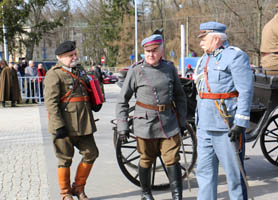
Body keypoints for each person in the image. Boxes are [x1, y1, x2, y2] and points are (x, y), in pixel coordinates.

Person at [116, 34, 187, 200]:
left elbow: (180, 97)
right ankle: (146, 193)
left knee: (172, 159)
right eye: (147, 51)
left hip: (168, 122)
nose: (150, 54)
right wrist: (123, 126)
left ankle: (177, 196)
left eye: (154, 51)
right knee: (146, 159)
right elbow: (122, 101)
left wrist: (182, 121)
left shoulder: (169, 68)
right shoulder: (136, 70)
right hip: (145, 123)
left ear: (161, 50)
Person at [193, 22, 253, 200]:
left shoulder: (235, 57)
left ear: (216, 38)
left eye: (204, 39)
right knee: (204, 175)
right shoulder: (204, 58)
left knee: (234, 177)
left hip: (226, 126)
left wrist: (240, 123)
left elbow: (245, 91)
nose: (201, 43)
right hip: (204, 126)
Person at [44, 41, 101, 200]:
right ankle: (65, 193)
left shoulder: (80, 71)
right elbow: (51, 103)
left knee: (91, 153)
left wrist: (96, 101)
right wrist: (58, 126)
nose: (75, 57)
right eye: (71, 55)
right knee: (64, 159)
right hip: (65, 125)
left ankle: (78, 188)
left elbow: (86, 93)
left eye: (75, 54)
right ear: (60, 57)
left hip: (84, 124)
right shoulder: (53, 74)